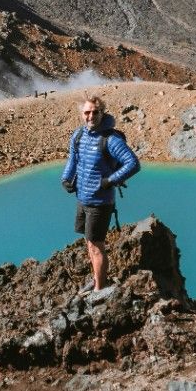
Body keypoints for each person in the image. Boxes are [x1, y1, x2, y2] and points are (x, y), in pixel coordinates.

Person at [61, 94, 140, 292]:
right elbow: (73, 160)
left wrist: (109, 181)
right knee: (89, 243)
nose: (91, 116)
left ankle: (99, 289)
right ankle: (97, 279)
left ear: (102, 113)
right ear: (82, 114)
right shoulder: (78, 135)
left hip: (100, 202)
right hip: (83, 198)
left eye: (95, 112)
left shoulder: (111, 139)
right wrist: (65, 178)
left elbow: (133, 163)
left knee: (97, 246)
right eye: (87, 112)